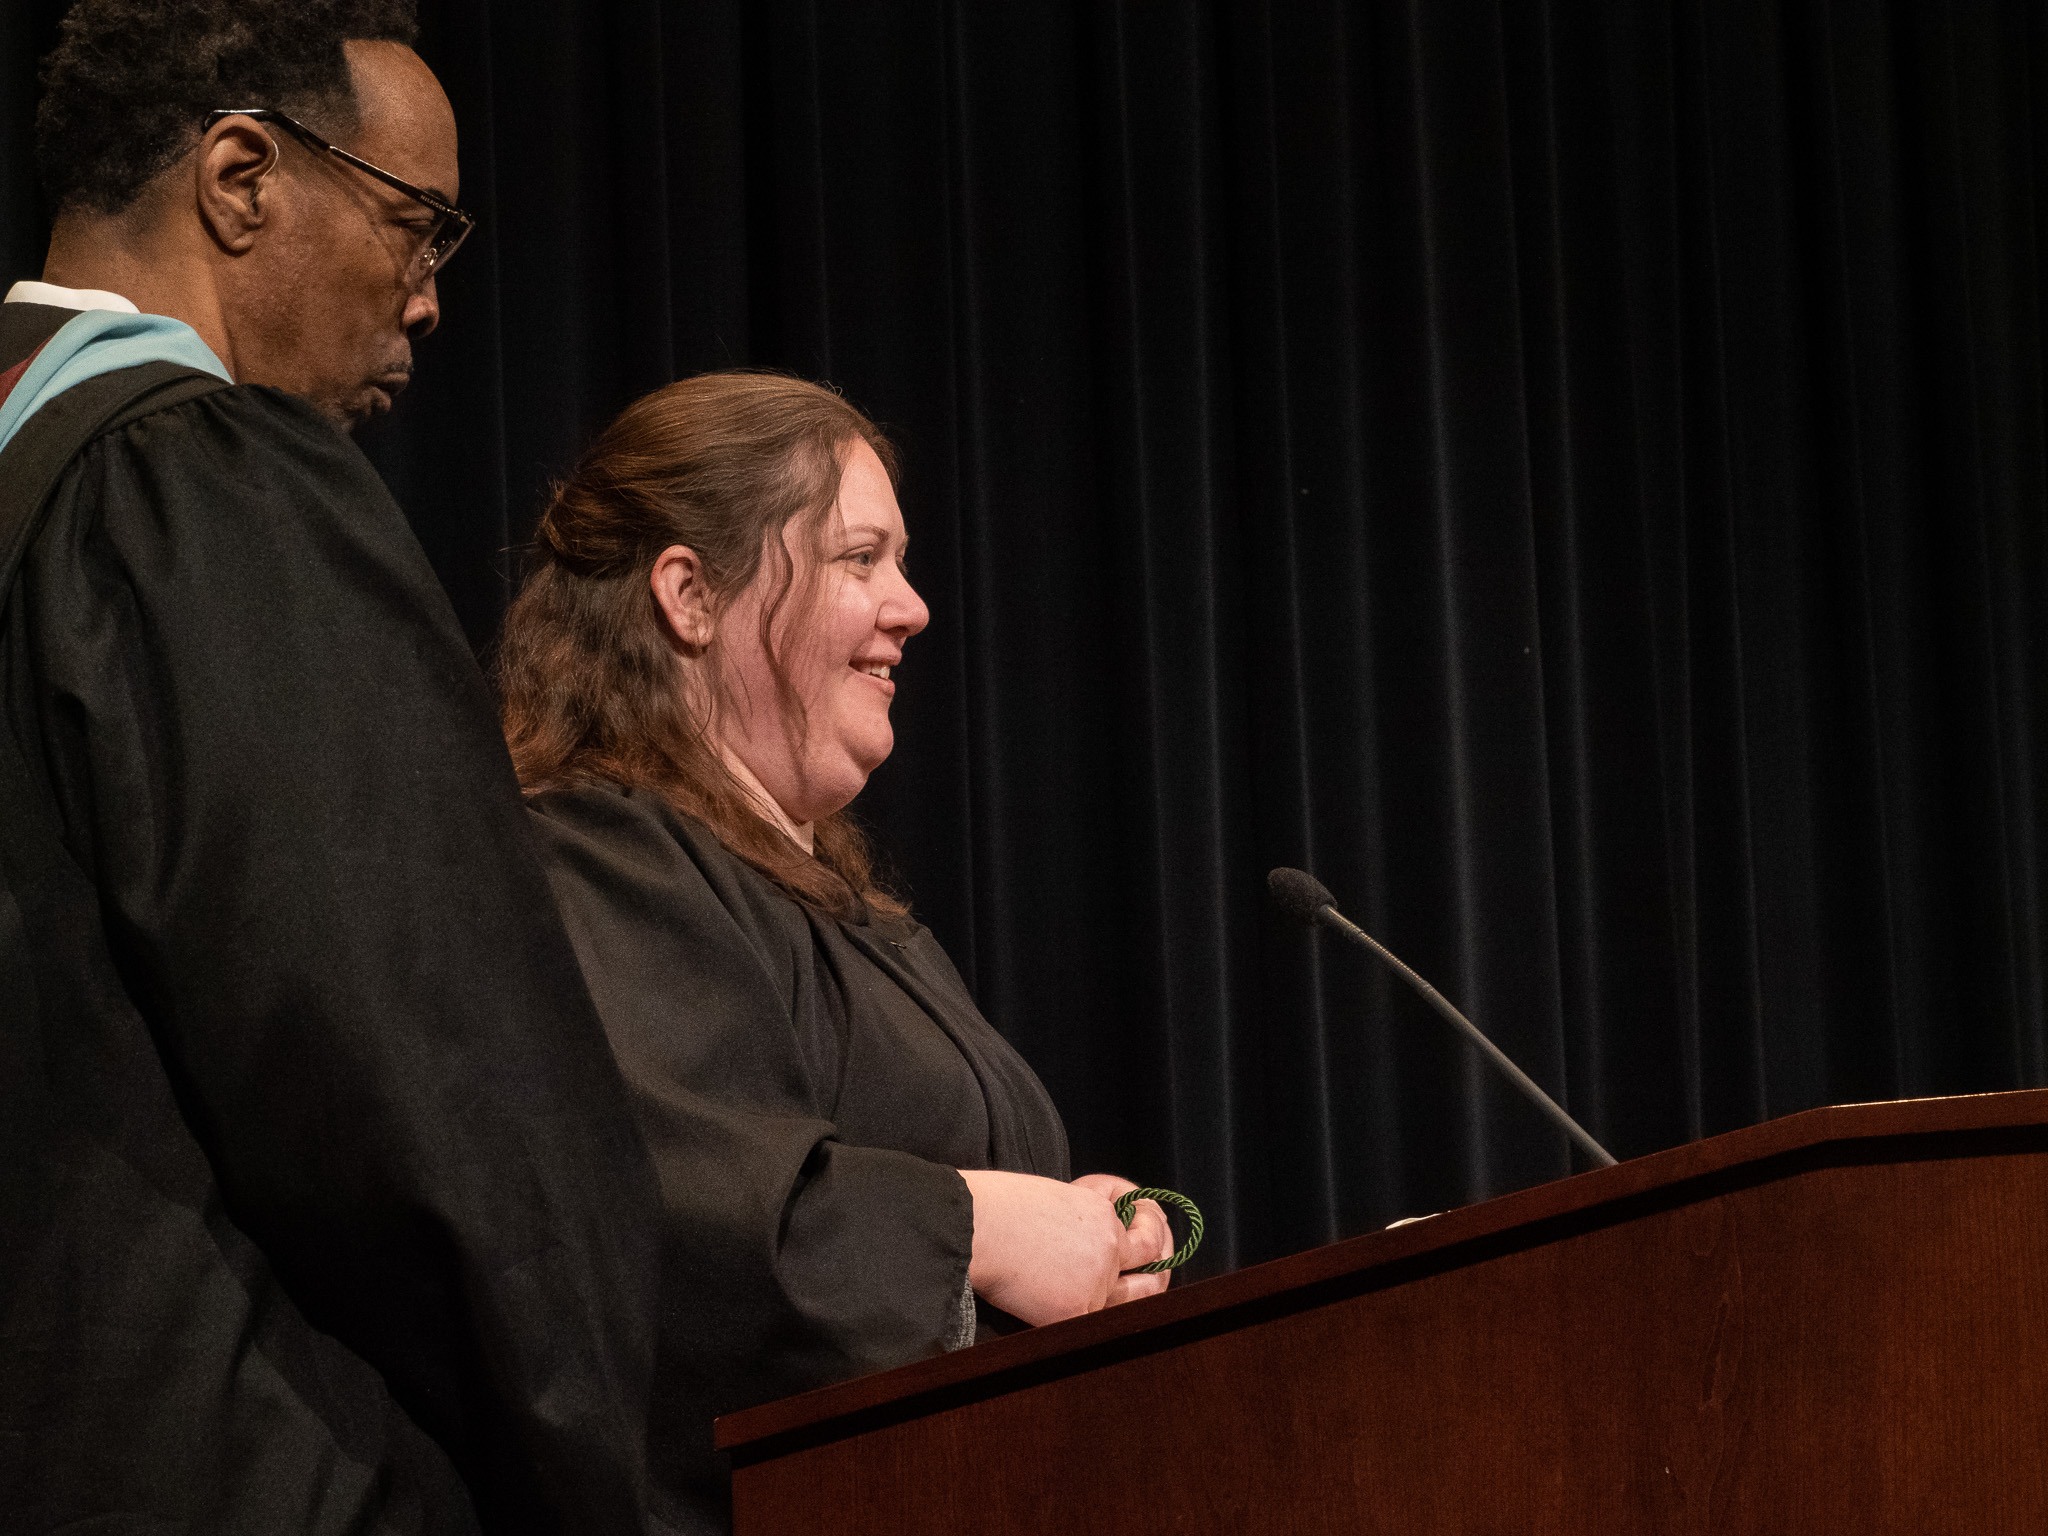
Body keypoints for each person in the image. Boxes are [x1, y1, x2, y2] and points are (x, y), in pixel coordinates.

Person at [0, 3, 663, 1532]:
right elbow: (427, 1086)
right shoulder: (195, 489)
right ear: (241, 179)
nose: (428, 303)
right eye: (417, 229)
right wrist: (591, 1476)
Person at [495, 372, 1176, 1535]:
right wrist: (981, 1230)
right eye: (860, 559)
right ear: (690, 596)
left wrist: (1083, 1236)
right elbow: (683, 1213)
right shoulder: (599, 861)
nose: (911, 608)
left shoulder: (847, 913)